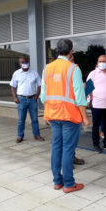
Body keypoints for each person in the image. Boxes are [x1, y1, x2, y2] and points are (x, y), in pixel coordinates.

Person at [40, 38, 90, 193]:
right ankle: (69, 184)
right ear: (71, 52)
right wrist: (85, 118)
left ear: (57, 51)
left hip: (53, 116)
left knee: (56, 147)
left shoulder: (47, 68)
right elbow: (80, 97)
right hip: (69, 116)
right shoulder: (73, 69)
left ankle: (57, 181)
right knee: (68, 149)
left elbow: (43, 97)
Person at [10, 56, 44, 143]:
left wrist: (37, 95)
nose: (24, 63)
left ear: (28, 62)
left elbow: (39, 85)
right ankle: (20, 136)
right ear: (19, 64)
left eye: (25, 62)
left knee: (35, 119)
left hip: (32, 99)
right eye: (22, 62)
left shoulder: (34, 73)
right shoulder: (16, 73)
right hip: (21, 100)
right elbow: (13, 87)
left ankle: (37, 135)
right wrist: (15, 97)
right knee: (21, 119)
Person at [87, 55, 106, 153]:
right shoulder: (93, 73)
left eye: (103, 61)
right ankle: (96, 144)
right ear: (97, 63)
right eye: (100, 61)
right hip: (97, 105)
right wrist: (88, 101)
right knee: (96, 126)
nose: (101, 63)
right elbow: (88, 90)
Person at [68, 54, 85, 166]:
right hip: (69, 112)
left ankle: (71, 158)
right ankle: (67, 163)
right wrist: (85, 117)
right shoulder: (72, 70)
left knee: (71, 141)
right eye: (71, 58)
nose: (72, 60)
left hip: (70, 111)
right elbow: (78, 95)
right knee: (67, 142)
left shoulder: (74, 69)